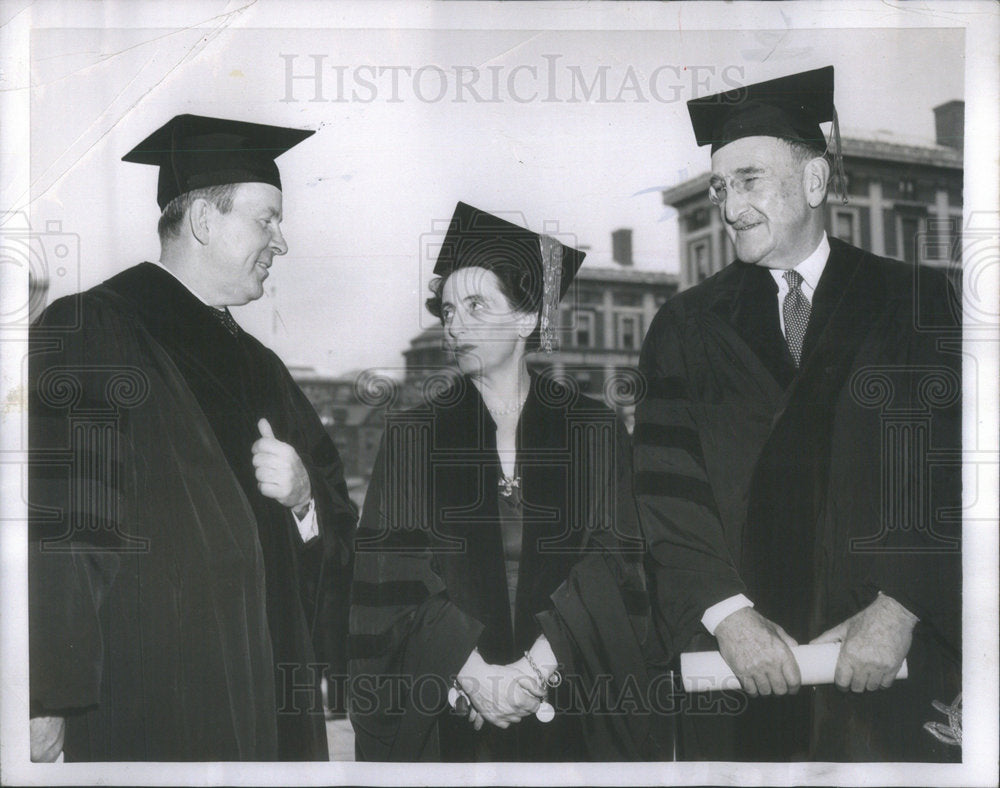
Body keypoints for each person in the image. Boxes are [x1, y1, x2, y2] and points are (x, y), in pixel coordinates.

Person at [634, 66, 961, 761]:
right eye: (720, 188)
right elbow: (666, 494)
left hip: (889, 664)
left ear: (814, 182)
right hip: (738, 669)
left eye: (748, 180)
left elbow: (954, 466)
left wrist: (901, 605)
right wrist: (727, 617)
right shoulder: (684, 325)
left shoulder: (915, 301)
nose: (729, 207)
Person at [28, 114, 357, 761]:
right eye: (267, 220)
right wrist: (48, 695)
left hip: (276, 704)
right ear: (205, 221)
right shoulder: (93, 332)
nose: (282, 242)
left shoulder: (263, 367)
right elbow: (60, 522)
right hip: (158, 696)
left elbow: (338, 519)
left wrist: (304, 500)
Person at [348, 202, 654, 761]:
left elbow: (617, 565)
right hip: (453, 713)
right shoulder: (414, 435)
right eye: (447, 310)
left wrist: (535, 670)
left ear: (527, 319)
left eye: (475, 306)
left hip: (574, 705)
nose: (454, 325)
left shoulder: (592, 429)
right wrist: (471, 673)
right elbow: (391, 576)